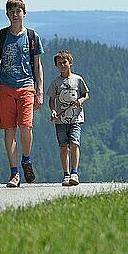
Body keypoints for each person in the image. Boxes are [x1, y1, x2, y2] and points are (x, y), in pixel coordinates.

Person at [0, 0, 44, 188]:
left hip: (26, 86)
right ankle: (14, 173)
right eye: (11, 11)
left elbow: (37, 66)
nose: (15, 14)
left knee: (26, 127)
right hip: (4, 87)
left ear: (24, 13)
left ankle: (26, 159)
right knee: (9, 130)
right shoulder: (0, 36)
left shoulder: (32, 37)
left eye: (18, 11)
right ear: (7, 14)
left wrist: (40, 91)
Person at [47, 50, 90, 186]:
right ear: (56, 66)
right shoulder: (55, 82)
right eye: (59, 63)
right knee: (63, 146)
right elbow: (51, 100)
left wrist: (81, 101)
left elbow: (86, 94)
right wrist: (53, 111)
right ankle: (65, 174)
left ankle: (74, 173)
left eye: (64, 62)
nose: (62, 65)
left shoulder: (78, 79)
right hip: (60, 120)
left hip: (76, 119)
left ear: (70, 63)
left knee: (74, 143)